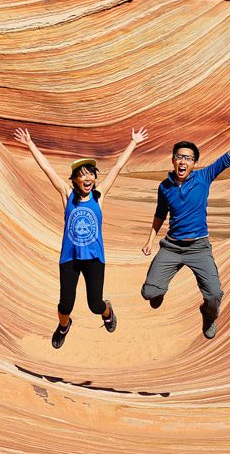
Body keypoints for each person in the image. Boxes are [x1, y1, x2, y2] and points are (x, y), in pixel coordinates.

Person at [14, 126, 148, 348]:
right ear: (75, 180)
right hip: (70, 259)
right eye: (81, 174)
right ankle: (64, 326)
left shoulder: (99, 195)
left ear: (95, 178)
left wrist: (133, 142)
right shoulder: (67, 195)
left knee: (95, 304)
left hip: (94, 259)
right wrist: (29, 144)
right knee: (65, 305)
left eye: (90, 174)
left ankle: (107, 311)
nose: (87, 177)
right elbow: (47, 168)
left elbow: (117, 167)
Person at [141, 113, 230, 339]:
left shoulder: (204, 177)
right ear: (173, 160)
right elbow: (159, 214)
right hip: (171, 248)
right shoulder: (164, 186)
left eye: (188, 158)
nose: (183, 161)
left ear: (194, 163)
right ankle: (158, 291)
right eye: (179, 157)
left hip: (199, 248)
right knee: (148, 293)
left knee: (215, 294)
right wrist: (149, 241)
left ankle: (208, 314)